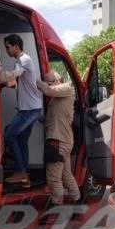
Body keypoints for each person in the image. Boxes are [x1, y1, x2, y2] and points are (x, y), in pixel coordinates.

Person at [0, 34, 42, 187]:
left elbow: (11, 76)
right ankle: (25, 178)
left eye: (7, 47)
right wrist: (1, 86)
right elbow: (16, 81)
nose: (7, 50)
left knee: (9, 134)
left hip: (29, 110)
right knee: (21, 140)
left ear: (15, 46)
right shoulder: (22, 61)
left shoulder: (23, 60)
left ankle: (21, 171)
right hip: (31, 109)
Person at [36, 70, 80, 208]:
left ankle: (56, 207)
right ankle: (77, 202)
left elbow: (48, 90)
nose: (48, 85)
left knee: (54, 178)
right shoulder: (56, 99)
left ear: (56, 81)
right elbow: (50, 119)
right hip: (63, 140)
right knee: (67, 176)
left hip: (58, 140)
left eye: (49, 82)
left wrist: (32, 77)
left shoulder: (66, 88)